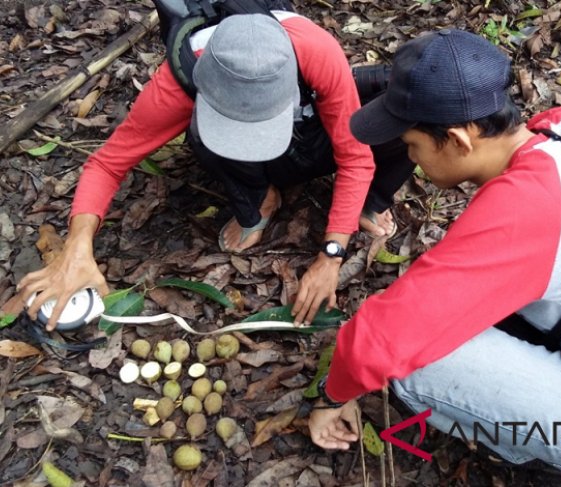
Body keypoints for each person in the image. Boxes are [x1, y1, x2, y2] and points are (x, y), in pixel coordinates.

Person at [308, 29, 561, 484]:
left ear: (460, 140)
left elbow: (380, 340)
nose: (411, 159)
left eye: (411, 146)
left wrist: (332, 396)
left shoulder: (529, 210)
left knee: (415, 362)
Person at [18, 10, 414, 329]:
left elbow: (354, 156)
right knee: (200, 138)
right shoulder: (179, 80)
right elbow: (107, 163)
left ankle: (370, 201)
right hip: (248, 153)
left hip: (310, 125)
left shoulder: (315, 52)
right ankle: (260, 197)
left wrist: (331, 255)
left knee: (412, 113)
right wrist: (77, 246)